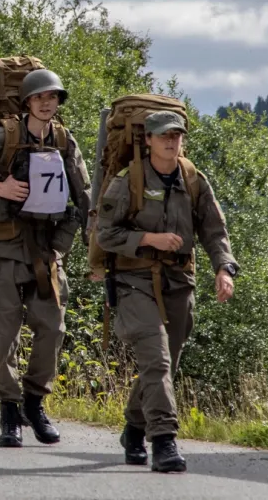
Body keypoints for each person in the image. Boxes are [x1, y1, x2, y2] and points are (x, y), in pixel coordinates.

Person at [96, 110, 238, 473]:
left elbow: (214, 230)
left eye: (177, 135)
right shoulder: (129, 180)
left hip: (178, 282)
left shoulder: (193, 179)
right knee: (156, 360)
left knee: (165, 365)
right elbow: (105, 234)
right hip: (134, 281)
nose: (171, 141)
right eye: (163, 136)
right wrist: (147, 238)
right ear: (148, 140)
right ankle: (164, 441)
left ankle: (133, 427)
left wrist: (224, 268)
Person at [0, 69, 91, 447]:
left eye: (53, 98)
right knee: (6, 334)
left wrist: (86, 242)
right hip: (3, 251)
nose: (47, 103)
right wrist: (0, 186)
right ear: (27, 101)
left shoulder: (65, 141)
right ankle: (9, 411)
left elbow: (84, 194)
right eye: (40, 97)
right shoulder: (3, 137)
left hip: (46, 251)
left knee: (53, 328)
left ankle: (34, 402)